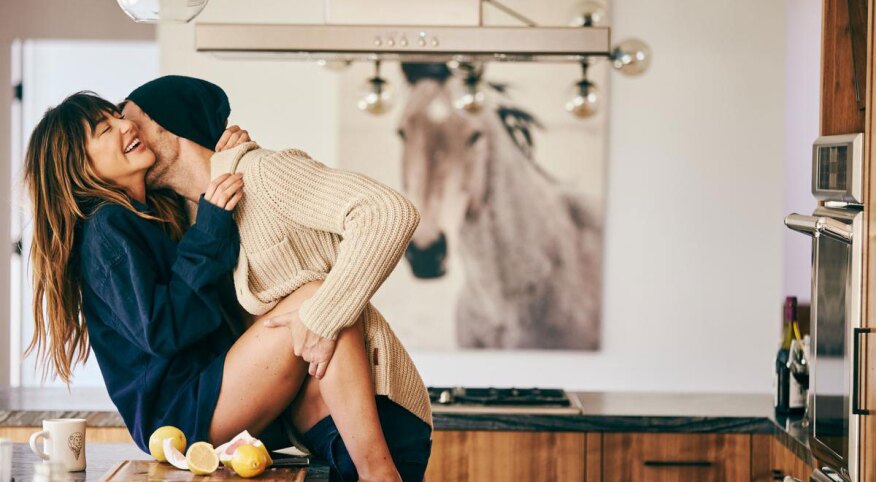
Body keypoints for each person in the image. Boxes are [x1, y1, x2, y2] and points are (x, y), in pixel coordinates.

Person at [22, 90, 420, 482]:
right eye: (104, 128)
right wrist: (211, 222)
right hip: (181, 411)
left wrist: (224, 158)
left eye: (118, 116)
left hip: (205, 395)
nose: (126, 124)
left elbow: (207, 258)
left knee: (322, 307)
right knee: (320, 301)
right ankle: (379, 475)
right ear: (78, 166)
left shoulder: (156, 215)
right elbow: (162, 331)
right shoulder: (107, 226)